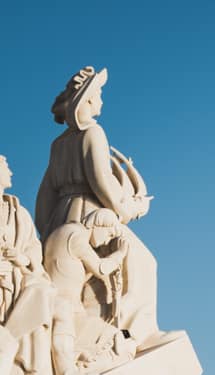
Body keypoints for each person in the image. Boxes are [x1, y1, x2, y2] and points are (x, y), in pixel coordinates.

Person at [35, 67, 159, 346]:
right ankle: (135, 333)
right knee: (142, 264)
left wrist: (47, 228)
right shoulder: (93, 133)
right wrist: (129, 209)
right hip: (93, 216)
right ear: (88, 99)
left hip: (61, 219)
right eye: (99, 93)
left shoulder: (58, 145)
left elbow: (45, 195)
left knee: (79, 288)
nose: (101, 99)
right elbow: (101, 180)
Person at [43, 208, 132, 375]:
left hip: (64, 302)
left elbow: (71, 272)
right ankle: (69, 374)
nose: (106, 240)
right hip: (65, 305)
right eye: (108, 234)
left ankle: (80, 365)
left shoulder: (64, 232)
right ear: (99, 224)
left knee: (117, 340)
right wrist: (120, 254)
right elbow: (100, 268)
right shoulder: (76, 236)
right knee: (118, 343)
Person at [0, 154, 54, 375]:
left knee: (39, 299)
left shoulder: (17, 212)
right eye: (4, 166)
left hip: (17, 279)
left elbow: (33, 248)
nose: (10, 170)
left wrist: (22, 259)